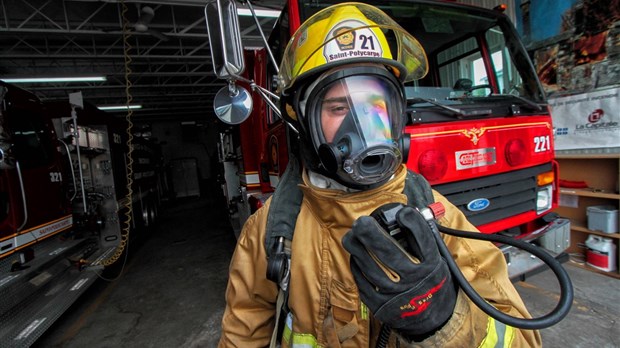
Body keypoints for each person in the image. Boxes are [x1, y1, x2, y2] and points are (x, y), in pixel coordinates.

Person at [218, 3, 541, 347]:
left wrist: (445, 321)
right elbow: (242, 335)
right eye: (338, 108)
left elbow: (522, 338)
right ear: (301, 122)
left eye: (375, 103)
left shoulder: (435, 215)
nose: (362, 127)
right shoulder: (269, 233)